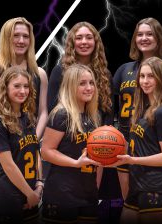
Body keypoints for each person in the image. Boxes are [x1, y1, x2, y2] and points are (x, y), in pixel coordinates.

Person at [0, 17, 48, 224]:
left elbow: (43, 111)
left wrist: (32, 138)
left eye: (25, 36)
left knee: (27, 208)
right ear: (6, 38)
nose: (20, 40)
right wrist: (18, 137)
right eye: (15, 35)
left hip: (27, 144)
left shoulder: (39, 73)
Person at [113, 17, 162, 200]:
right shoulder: (123, 69)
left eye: (149, 34)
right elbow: (112, 105)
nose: (144, 38)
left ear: (159, 38)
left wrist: (142, 137)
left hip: (151, 144)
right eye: (139, 34)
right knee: (128, 202)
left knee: (154, 203)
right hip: (124, 141)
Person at [47, 21, 116, 203]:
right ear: (71, 42)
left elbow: (108, 112)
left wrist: (103, 143)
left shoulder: (105, 74)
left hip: (96, 143)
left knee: (91, 199)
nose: (84, 42)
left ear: (96, 42)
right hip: (67, 143)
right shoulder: (59, 71)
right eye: (79, 37)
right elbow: (51, 110)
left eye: (89, 37)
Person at [111, 57, 162, 224]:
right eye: (142, 76)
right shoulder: (143, 110)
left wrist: (132, 160)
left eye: (151, 76)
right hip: (138, 183)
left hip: (154, 185)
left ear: (161, 79)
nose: (145, 81)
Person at [41, 64, 101, 224]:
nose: (89, 88)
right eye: (82, 83)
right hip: (62, 193)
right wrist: (75, 163)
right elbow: (46, 151)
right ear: (70, 86)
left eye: (91, 83)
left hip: (88, 193)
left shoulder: (94, 116)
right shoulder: (62, 114)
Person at [0, 66, 42, 224]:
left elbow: (36, 152)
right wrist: (30, 193)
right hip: (8, 197)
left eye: (26, 86)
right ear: (5, 88)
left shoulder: (29, 117)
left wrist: (39, 183)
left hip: (31, 194)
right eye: (17, 86)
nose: (23, 91)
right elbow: (9, 166)